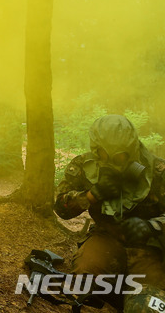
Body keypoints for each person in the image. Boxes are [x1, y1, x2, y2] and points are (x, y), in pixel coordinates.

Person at [55, 114, 165, 312]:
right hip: (106, 238)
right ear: (97, 150)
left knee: (148, 306)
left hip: (148, 248)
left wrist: (152, 226)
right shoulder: (84, 166)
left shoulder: (157, 172)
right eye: (108, 155)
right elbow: (61, 209)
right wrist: (91, 195)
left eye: (121, 155)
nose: (116, 161)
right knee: (83, 287)